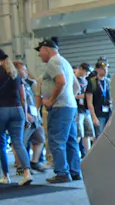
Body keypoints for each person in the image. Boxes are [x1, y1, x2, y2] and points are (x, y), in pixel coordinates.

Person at [35, 39, 81, 184]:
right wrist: (68, 98)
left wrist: (51, 100)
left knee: (56, 141)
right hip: (70, 107)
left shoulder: (53, 62)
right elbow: (76, 86)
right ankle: (74, 172)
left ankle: (62, 173)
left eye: (40, 51)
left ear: (47, 49)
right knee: (71, 141)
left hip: (60, 108)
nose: (39, 54)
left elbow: (61, 81)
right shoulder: (65, 62)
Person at [0, 48, 33, 186]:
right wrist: (25, 116)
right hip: (18, 110)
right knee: (18, 142)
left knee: (2, 144)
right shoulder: (15, 75)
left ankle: (6, 176)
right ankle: (27, 173)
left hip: (1, 110)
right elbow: (23, 98)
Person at [13, 61, 47, 172]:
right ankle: (20, 167)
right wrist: (25, 114)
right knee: (20, 143)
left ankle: (34, 162)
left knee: (40, 138)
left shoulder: (26, 83)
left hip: (34, 116)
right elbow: (17, 100)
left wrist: (36, 113)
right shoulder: (14, 83)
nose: (26, 71)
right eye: (23, 69)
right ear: (17, 70)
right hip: (23, 116)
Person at [86, 60, 111, 138]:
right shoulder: (92, 82)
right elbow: (89, 102)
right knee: (99, 136)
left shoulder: (108, 82)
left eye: (106, 68)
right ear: (97, 69)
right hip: (98, 114)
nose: (105, 71)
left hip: (108, 113)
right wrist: (94, 117)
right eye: (103, 69)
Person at [74, 62, 94, 157]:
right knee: (78, 134)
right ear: (81, 69)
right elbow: (70, 95)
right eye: (86, 72)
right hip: (78, 110)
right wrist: (80, 96)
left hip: (86, 110)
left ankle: (88, 154)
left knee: (87, 133)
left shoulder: (86, 81)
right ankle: (74, 154)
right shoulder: (74, 80)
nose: (87, 74)